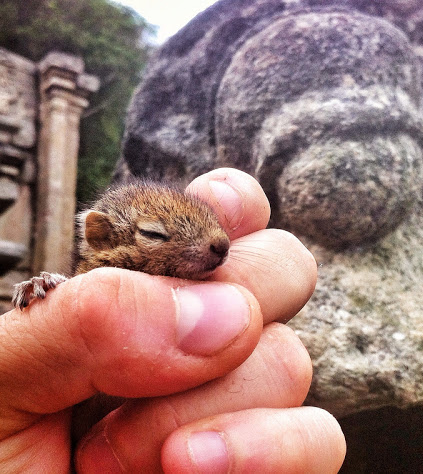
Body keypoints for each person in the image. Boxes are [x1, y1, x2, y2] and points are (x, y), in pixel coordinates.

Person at [0, 168, 346, 472]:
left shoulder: (206, 292)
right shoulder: (89, 284)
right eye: (154, 234)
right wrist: (48, 292)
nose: (218, 245)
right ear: (101, 238)